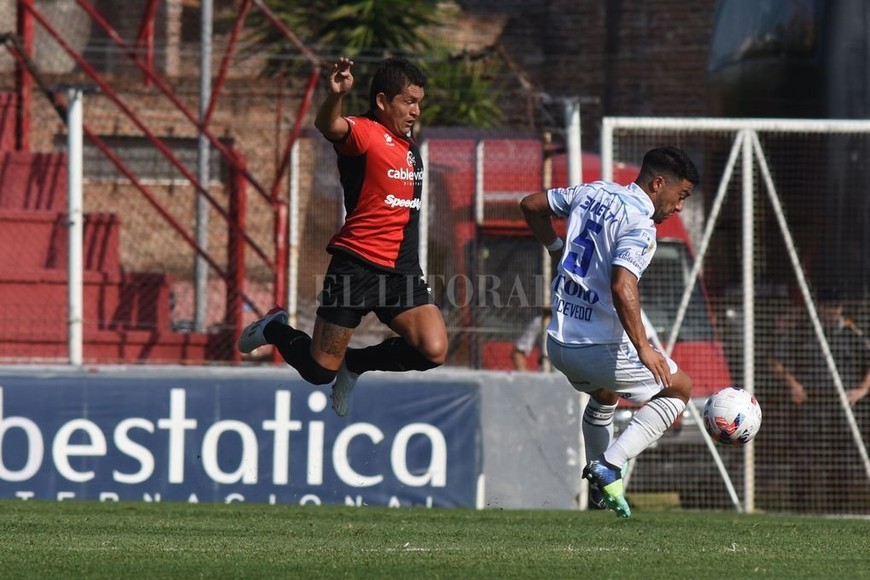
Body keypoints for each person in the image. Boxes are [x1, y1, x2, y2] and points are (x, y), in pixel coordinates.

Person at [237, 56, 447, 417]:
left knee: (434, 349)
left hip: (401, 271)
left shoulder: (408, 143)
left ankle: (355, 363)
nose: (415, 110)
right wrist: (336, 95)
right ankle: (274, 329)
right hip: (357, 268)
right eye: (408, 102)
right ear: (382, 101)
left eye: (419, 102)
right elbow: (329, 125)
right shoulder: (364, 132)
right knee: (319, 371)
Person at [520, 146, 700, 517]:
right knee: (679, 389)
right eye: (681, 195)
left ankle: (599, 496)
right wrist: (644, 348)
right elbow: (622, 285)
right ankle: (609, 465)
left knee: (604, 395)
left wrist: (555, 248)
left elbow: (531, 204)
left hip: (559, 342)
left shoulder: (592, 191)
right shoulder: (641, 224)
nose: (680, 207)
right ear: (658, 183)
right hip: (597, 347)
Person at [770, 288, 870, 511]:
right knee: (803, 457)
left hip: (842, 405)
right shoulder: (802, 333)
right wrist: (793, 384)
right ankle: (800, 509)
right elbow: (776, 360)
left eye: (836, 307)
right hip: (810, 404)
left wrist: (862, 389)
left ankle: (838, 508)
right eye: (828, 307)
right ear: (819, 308)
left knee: (841, 457)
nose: (833, 312)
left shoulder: (851, 335)